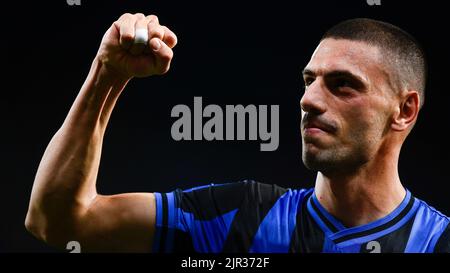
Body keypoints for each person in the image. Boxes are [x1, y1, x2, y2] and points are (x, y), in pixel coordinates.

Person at [25, 13, 449, 253]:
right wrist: (107, 75)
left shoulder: (438, 242)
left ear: (404, 110)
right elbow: (59, 222)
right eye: (308, 81)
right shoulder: (239, 215)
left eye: (342, 85)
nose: (309, 100)